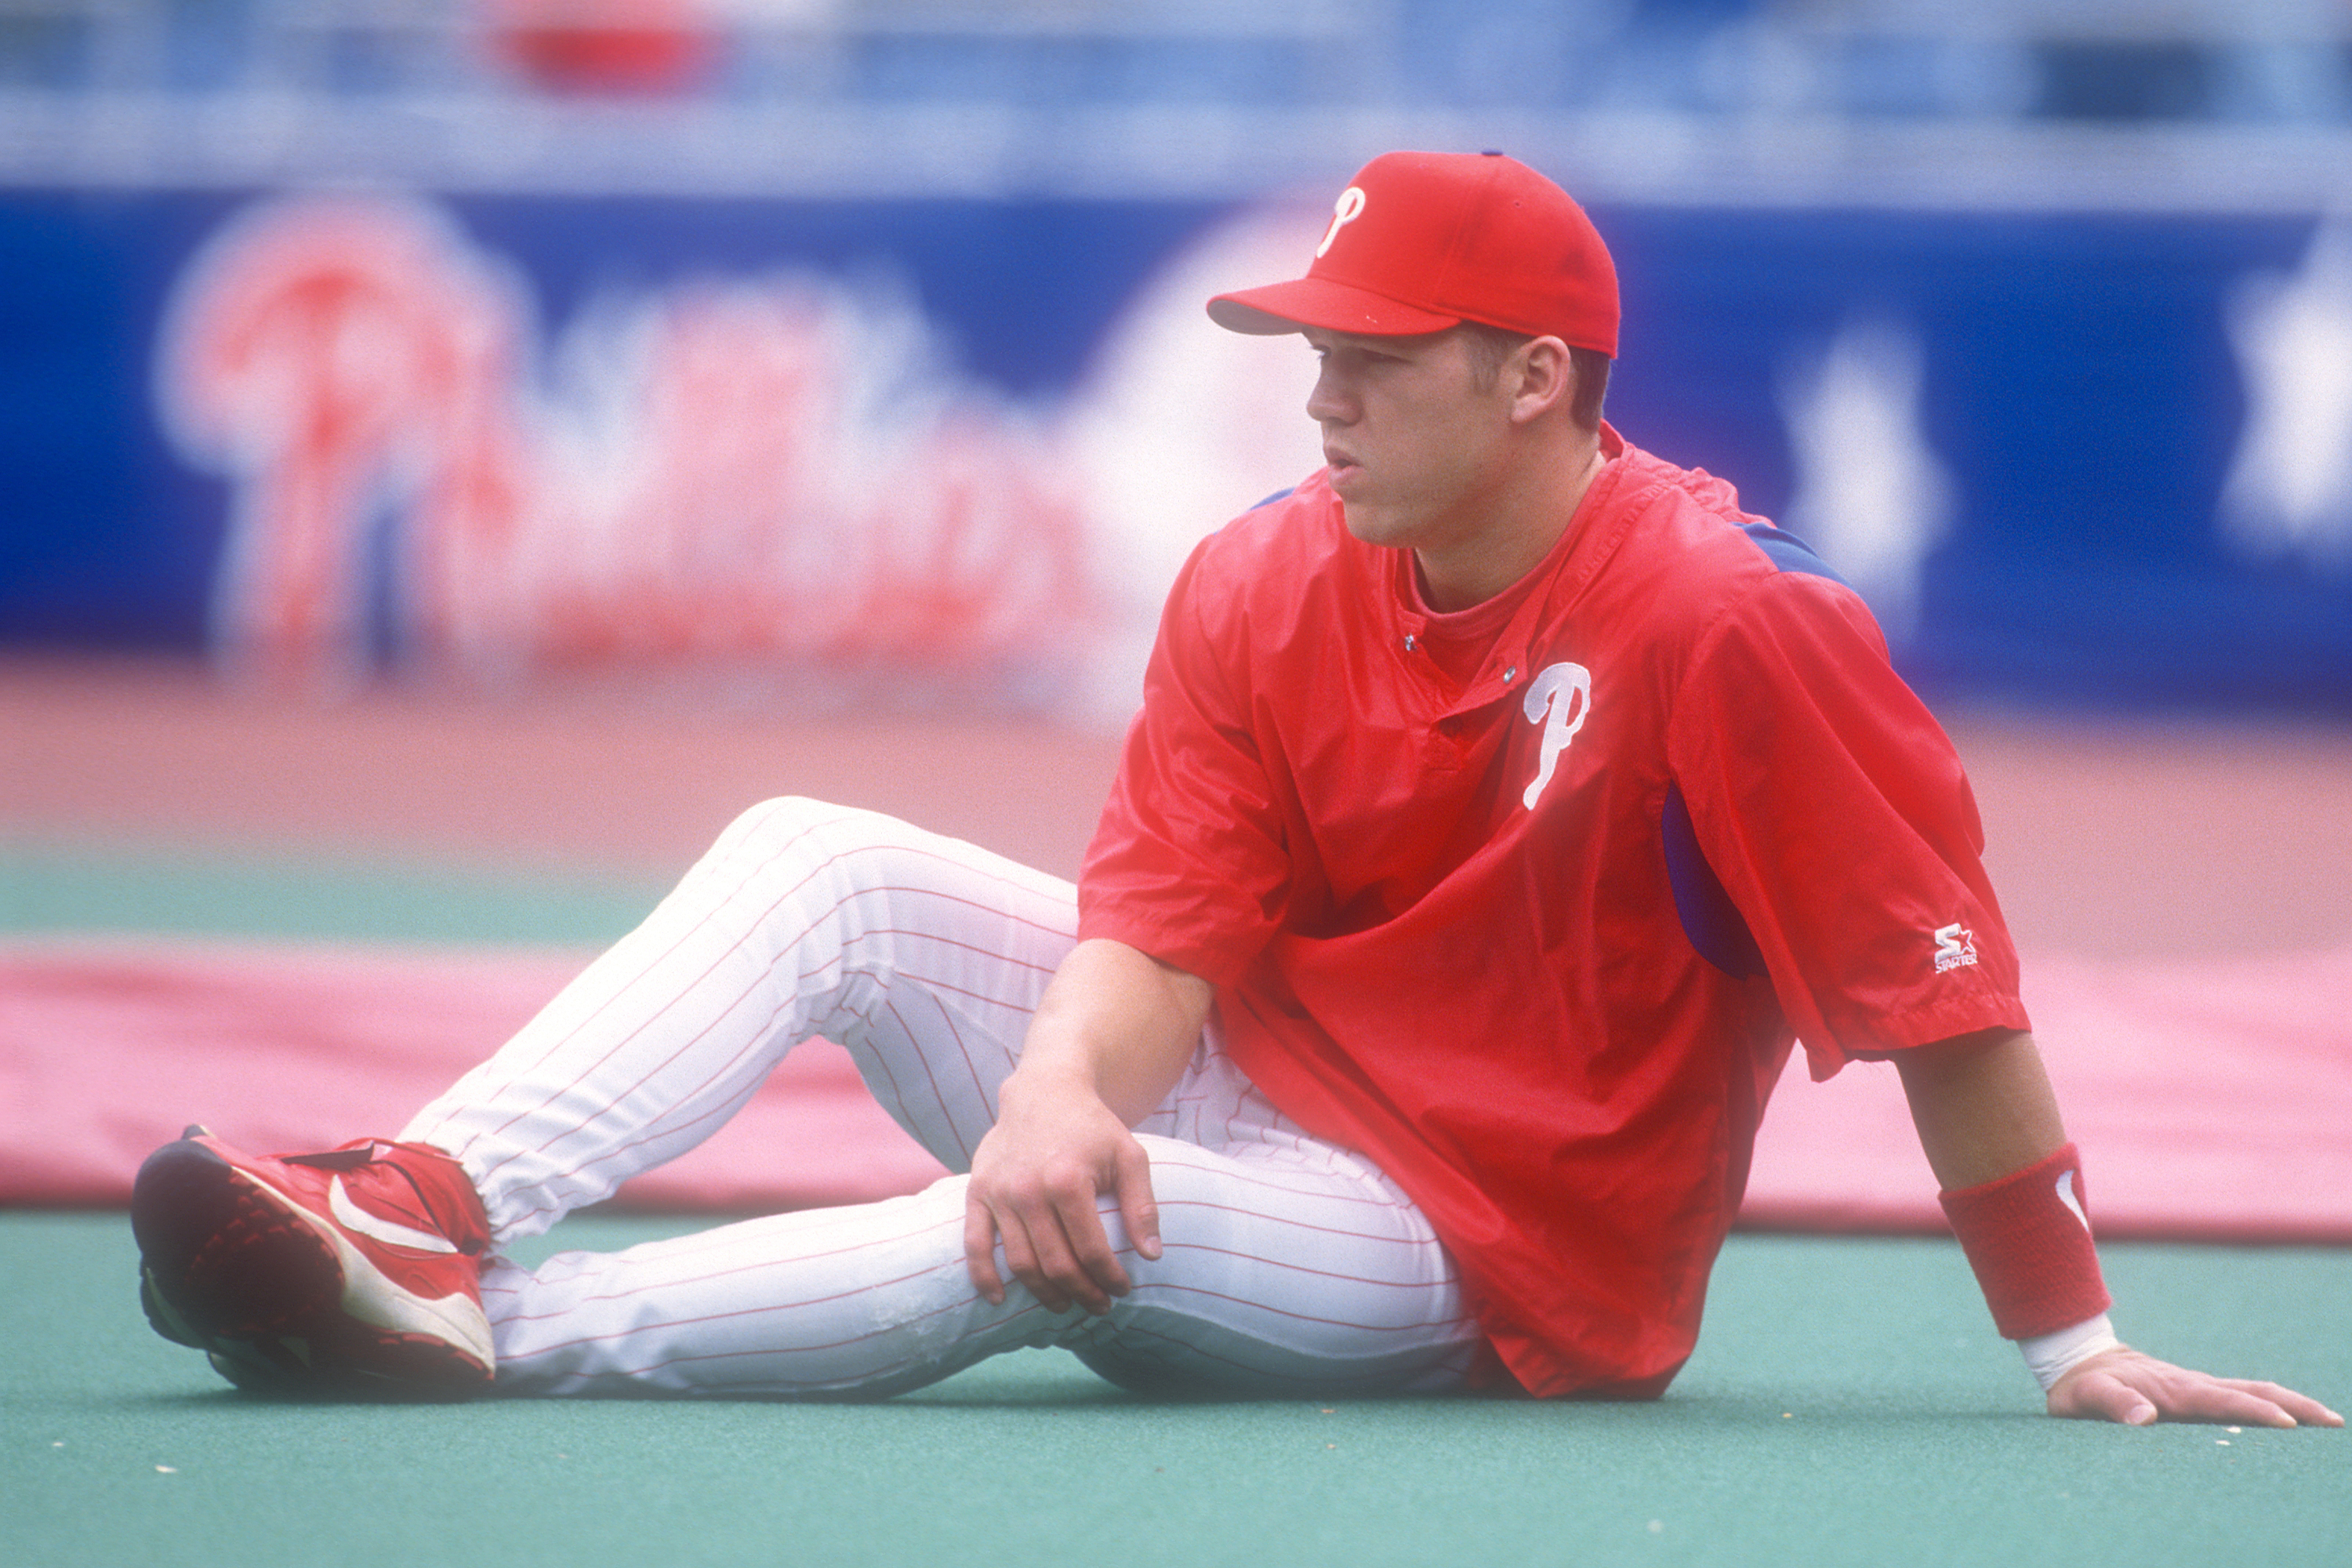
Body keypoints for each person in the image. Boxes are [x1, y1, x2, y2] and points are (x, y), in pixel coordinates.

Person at [132, 151, 2339, 1427]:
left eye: (1374, 361)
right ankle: (419, 1213)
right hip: (1255, 1084)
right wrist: (1063, 1079)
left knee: (1047, 1240)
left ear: (1539, 378)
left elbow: (1939, 990)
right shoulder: (1268, 573)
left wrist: (2071, 1339)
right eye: (1310, 352)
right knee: (825, 866)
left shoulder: (1732, 625)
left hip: (1483, 1256)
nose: (1322, 395)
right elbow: (1161, 919)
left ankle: (492, 1343)